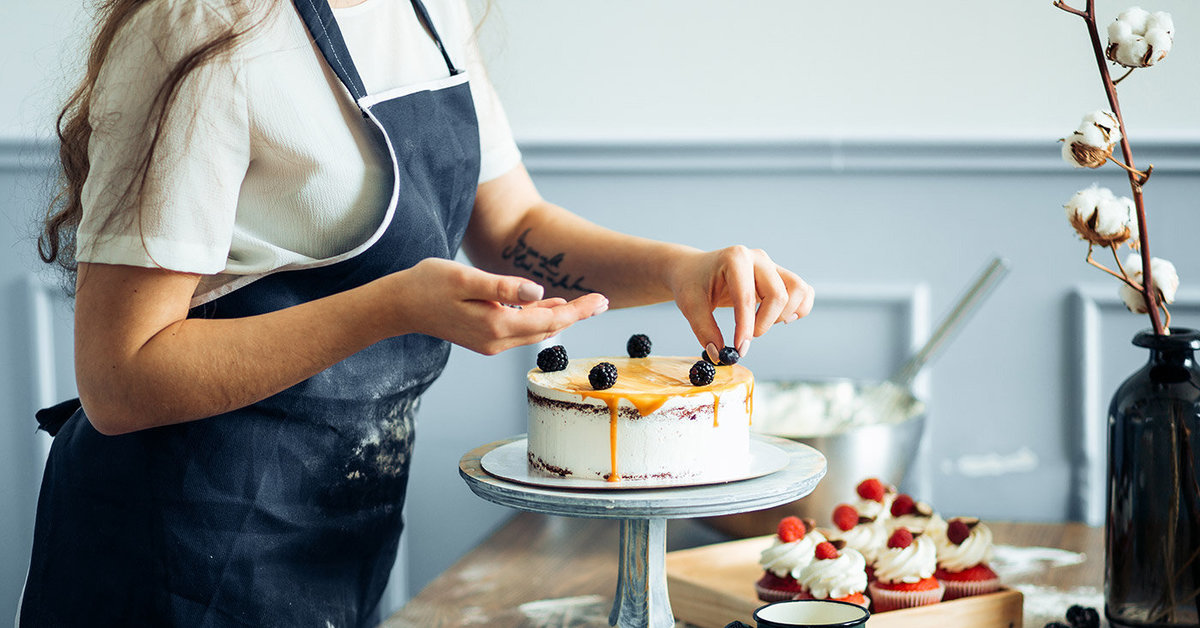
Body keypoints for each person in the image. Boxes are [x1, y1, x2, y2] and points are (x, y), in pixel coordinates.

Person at [22, 0, 815, 625]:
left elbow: (512, 232)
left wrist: (683, 269)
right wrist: (393, 306)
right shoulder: (196, 27)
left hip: (342, 524)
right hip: (175, 542)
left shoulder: (426, 12)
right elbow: (120, 379)